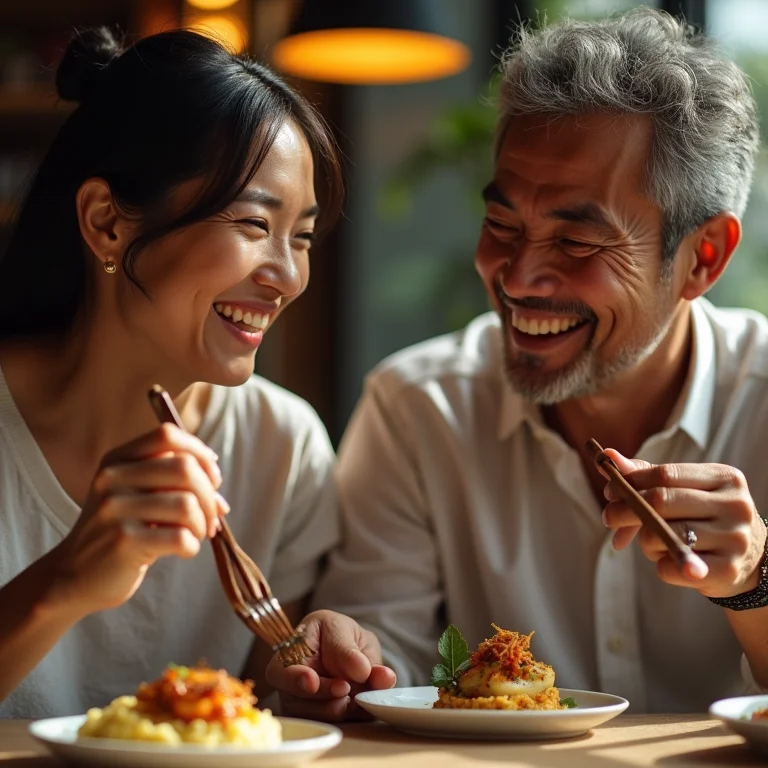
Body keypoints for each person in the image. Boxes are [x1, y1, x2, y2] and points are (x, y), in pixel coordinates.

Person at [273, 7, 768, 718]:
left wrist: (755, 576)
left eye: (577, 242)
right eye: (502, 225)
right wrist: (349, 662)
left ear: (704, 257)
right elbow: (388, 669)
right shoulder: (419, 407)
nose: (517, 276)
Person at [0, 25, 393, 718]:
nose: (288, 277)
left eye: (300, 237)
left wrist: (302, 673)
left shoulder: (281, 446)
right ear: (107, 223)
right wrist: (65, 580)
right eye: (252, 224)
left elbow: (250, 727)